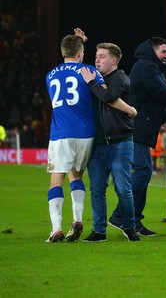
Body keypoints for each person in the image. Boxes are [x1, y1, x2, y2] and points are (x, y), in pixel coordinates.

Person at [44, 30, 134, 242]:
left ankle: (56, 228)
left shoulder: (51, 75)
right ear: (81, 53)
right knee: (77, 176)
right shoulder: (90, 70)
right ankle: (77, 219)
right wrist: (131, 110)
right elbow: (108, 97)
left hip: (61, 132)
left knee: (57, 179)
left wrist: (79, 45)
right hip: (85, 134)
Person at [109, 37, 166, 236]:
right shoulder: (147, 67)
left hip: (144, 125)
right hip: (137, 127)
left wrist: (162, 121)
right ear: (153, 51)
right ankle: (120, 215)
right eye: (163, 52)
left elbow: (147, 99)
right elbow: (160, 93)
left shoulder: (151, 67)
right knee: (142, 171)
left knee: (143, 172)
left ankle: (134, 221)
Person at [79, 42, 140, 242]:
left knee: (123, 188)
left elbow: (108, 96)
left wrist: (91, 84)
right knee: (97, 190)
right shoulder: (97, 80)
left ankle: (130, 227)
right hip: (97, 144)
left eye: (102, 56)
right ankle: (99, 230)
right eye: (96, 55)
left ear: (114, 60)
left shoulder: (120, 78)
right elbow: (73, 59)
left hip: (120, 142)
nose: (97, 59)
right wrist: (80, 43)